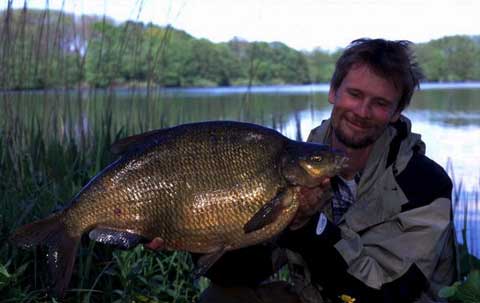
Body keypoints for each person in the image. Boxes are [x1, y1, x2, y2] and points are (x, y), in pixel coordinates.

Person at [192, 38, 457, 303]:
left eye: (380, 103)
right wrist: (194, 230)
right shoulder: (295, 163)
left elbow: (386, 294)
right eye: (354, 94)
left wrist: (310, 225)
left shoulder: (425, 184)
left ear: (396, 112)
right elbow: (246, 270)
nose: (362, 112)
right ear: (333, 92)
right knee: (218, 298)